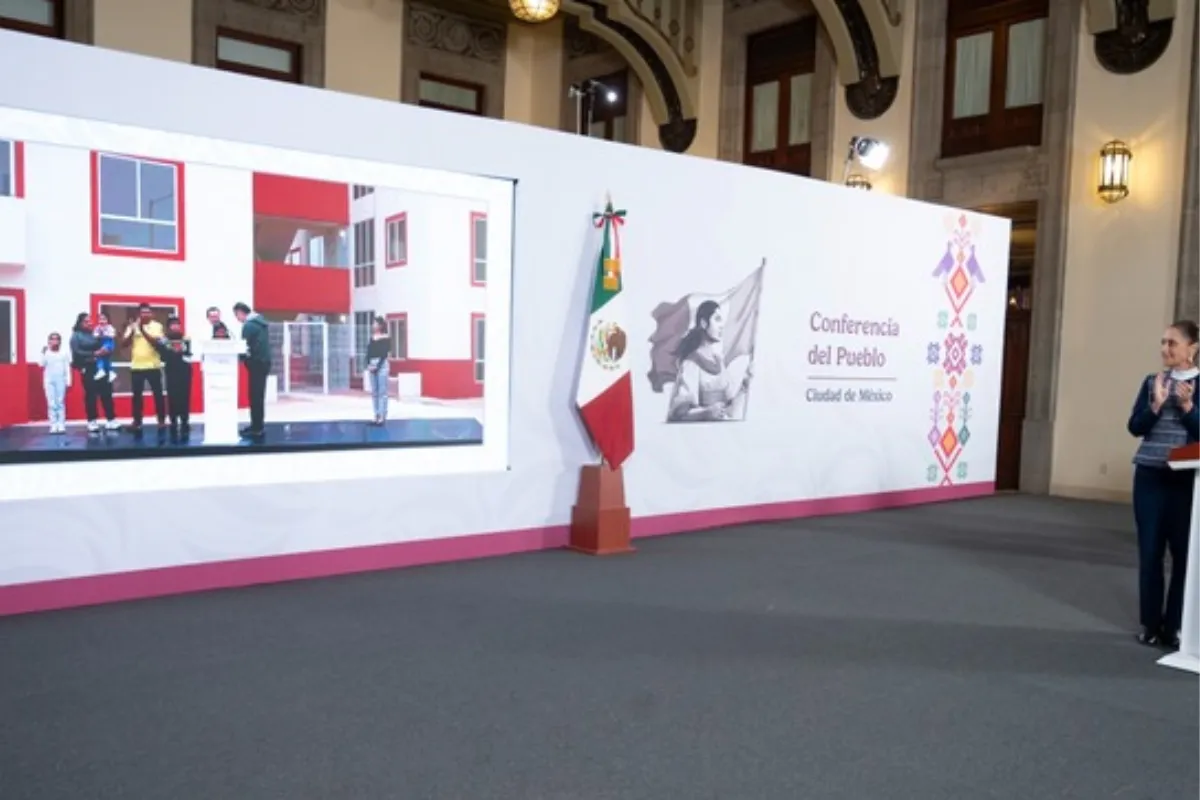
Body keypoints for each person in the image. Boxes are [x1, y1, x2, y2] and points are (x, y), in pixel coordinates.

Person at [1127, 319, 1199, 649]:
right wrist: (1154, 406)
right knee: (1150, 552)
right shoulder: (1151, 382)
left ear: (1192, 348)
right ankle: (1150, 624)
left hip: (1186, 480)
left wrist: (1188, 408)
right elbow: (1135, 426)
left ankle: (1175, 627)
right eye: (1163, 342)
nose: (1165, 349)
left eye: (1172, 343)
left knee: (1183, 556)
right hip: (1149, 476)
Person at [667, 300, 752, 422]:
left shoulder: (718, 361)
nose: (721, 326)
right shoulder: (691, 363)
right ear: (703, 323)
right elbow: (680, 413)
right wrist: (706, 412)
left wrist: (744, 386)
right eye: (717, 319)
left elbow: (729, 409)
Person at [69, 312, 118, 434]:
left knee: (107, 393)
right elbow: (77, 352)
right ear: (80, 323)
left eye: (90, 320)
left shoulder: (95, 333)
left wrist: (106, 350)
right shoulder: (76, 336)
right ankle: (92, 421)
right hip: (88, 368)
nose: (89, 323)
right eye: (86, 321)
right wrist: (93, 354)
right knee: (91, 395)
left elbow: (106, 344)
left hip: (100, 367)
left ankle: (111, 419)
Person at [123, 303, 166, 437]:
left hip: (153, 366)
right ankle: (137, 421)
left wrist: (142, 329)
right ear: (139, 314)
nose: (145, 315)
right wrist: (133, 330)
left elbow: (155, 342)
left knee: (158, 395)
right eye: (142, 312)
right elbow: (124, 344)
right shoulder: (132, 326)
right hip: (137, 366)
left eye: (148, 312)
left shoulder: (157, 326)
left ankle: (161, 420)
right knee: (137, 397)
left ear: (151, 314)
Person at [233, 302, 270, 439]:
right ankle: (257, 425)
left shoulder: (249, 325)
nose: (237, 318)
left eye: (236, 315)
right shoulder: (260, 323)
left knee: (254, 397)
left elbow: (244, 346)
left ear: (240, 312)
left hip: (256, 364)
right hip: (263, 363)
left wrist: (239, 358)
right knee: (258, 396)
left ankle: (256, 428)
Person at [154, 316, 193, 440]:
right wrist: (169, 349)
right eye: (173, 324)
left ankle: (185, 420)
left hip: (185, 370)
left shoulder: (186, 339)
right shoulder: (164, 340)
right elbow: (162, 356)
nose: (176, 326)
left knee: (185, 395)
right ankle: (173, 421)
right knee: (172, 396)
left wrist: (182, 351)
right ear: (169, 327)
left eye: (177, 324)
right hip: (171, 370)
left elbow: (189, 354)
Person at [39, 332, 72, 434]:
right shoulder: (46, 353)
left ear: (60, 341)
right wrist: (42, 353)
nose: (54, 341)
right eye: (52, 339)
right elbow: (41, 364)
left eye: (56, 339)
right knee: (51, 403)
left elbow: (67, 367)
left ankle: (61, 424)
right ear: (49, 341)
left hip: (61, 380)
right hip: (49, 380)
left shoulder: (64, 353)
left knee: (60, 402)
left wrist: (69, 381)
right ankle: (53, 424)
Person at [365, 316, 391, 426]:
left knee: (382, 392)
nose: (373, 325)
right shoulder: (372, 338)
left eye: (375, 323)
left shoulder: (386, 338)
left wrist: (378, 366)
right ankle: (376, 415)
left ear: (380, 325)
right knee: (374, 392)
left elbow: (384, 354)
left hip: (382, 365)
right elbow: (368, 353)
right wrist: (368, 365)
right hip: (372, 364)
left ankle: (382, 416)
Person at [92, 311, 117, 383]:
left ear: (107, 320)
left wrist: (104, 334)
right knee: (103, 359)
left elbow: (112, 335)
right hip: (102, 343)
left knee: (101, 354)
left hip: (108, 343)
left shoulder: (110, 327)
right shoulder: (97, 328)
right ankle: (109, 371)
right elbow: (94, 335)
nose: (102, 321)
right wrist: (98, 334)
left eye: (104, 319)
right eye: (100, 319)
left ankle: (102, 370)